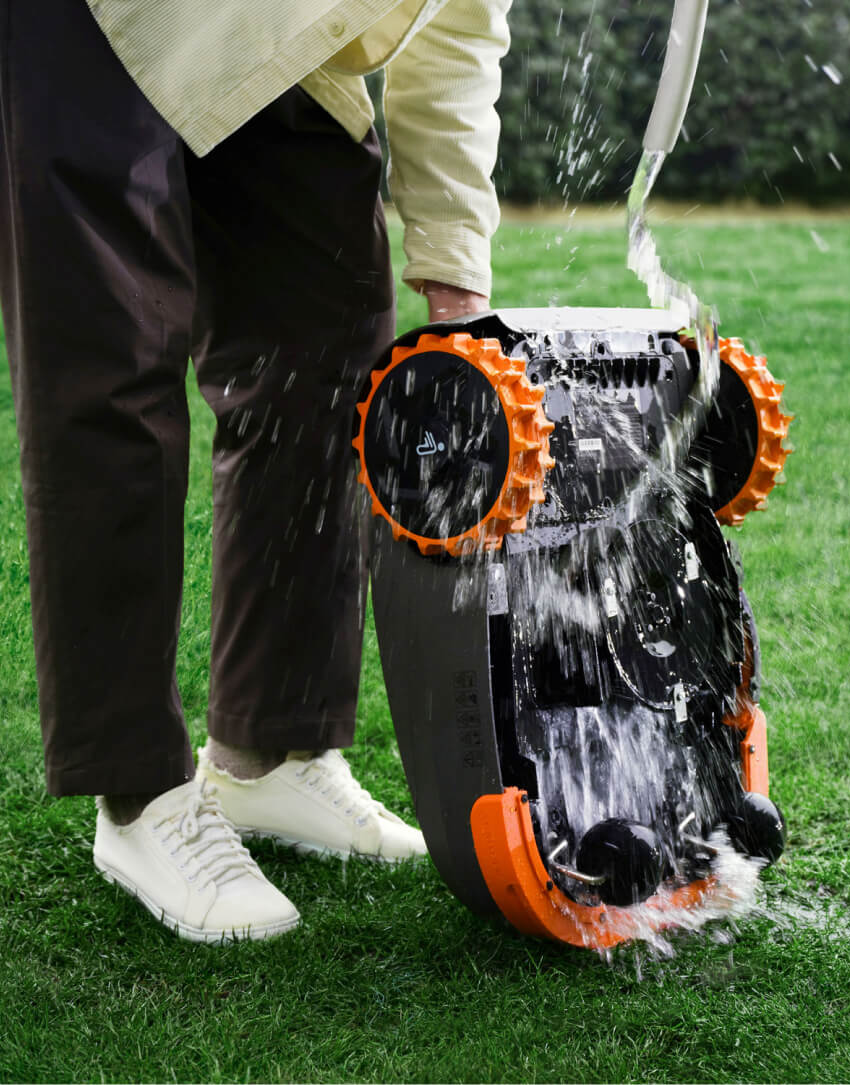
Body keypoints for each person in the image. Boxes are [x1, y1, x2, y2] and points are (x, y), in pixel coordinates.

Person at [0, 0, 511, 943]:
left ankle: (268, 749)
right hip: (80, 21)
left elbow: (459, 25)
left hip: (276, 30)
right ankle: (138, 792)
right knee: (111, 360)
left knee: (330, 341)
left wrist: (452, 264)